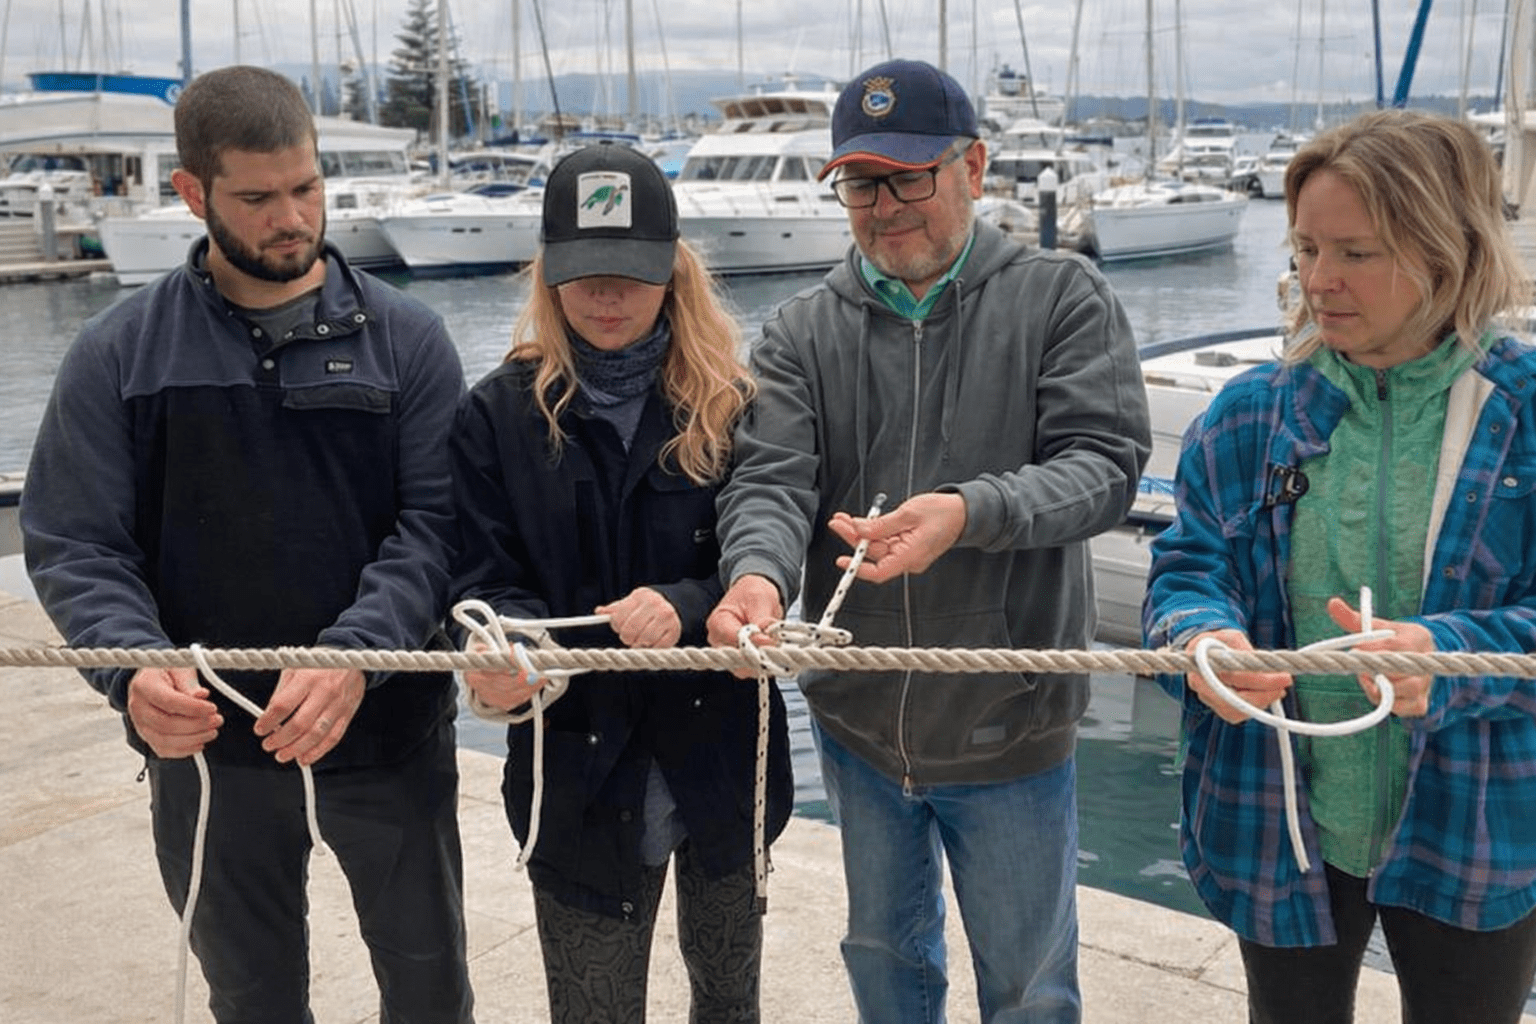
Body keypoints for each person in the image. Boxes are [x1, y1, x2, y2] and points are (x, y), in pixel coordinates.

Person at [20, 66, 473, 1023]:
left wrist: (357, 658)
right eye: (258, 198)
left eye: (306, 188)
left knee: (431, 994)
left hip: (389, 741)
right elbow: (74, 540)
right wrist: (130, 671)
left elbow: (438, 527)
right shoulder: (117, 354)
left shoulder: (411, 340)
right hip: (208, 755)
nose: (292, 218)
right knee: (252, 1000)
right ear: (192, 194)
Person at [706, 59, 1152, 1024]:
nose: (885, 206)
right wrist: (755, 578)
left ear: (975, 167)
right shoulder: (796, 332)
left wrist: (966, 511)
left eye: (911, 177)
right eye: (863, 184)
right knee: (882, 958)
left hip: (1014, 724)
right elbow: (771, 481)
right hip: (859, 725)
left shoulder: (1063, 298)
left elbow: (1106, 466)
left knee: (1030, 984)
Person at [1143, 108, 1536, 1024]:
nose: (1320, 281)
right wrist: (1203, 638)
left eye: (1355, 253)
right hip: (1274, 823)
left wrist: (1446, 658)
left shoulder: (1526, 415)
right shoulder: (1247, 414)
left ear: (1446, 250)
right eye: (1306, 248)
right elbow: (1187, 565)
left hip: (1480, 824)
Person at [449, 142, 794, 1024]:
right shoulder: (493, 417)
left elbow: (768, 540)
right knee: (591, 1012)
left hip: (721, 762)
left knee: (730, 1001)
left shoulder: (736, 402)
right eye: (585, 274)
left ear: (674, 272)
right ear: (549, 274)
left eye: (632, 275)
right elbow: (482, 574)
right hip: (574, 773)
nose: (608, 297)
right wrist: (502, 652)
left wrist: (684, 607)